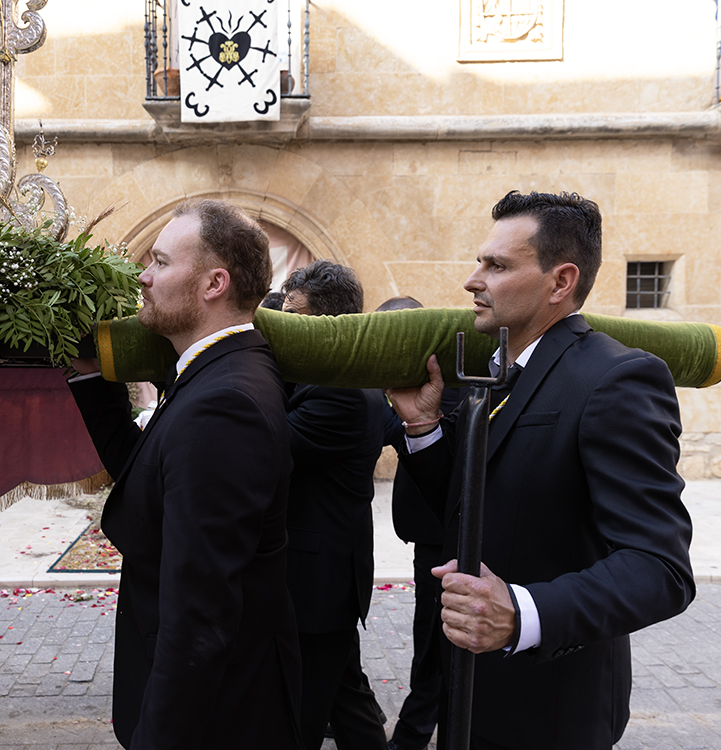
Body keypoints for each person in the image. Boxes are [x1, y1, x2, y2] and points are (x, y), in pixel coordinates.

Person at [387, 190, 695, 750]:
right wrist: (422, 428)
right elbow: (477, 506)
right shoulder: (499, 372)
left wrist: (523, 613)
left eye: (497, 265)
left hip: (550, 707)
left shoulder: (617, 378)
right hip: (474, 691)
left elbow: (660, 569)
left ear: (560, 282)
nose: (472, 280)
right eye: (481, 261)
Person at [68, 199, 302, 749]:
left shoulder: (225, 403)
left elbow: (201, 613)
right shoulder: (212, 372)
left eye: (160, 262)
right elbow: (153, 477)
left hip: (220, 723)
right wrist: (90, 377)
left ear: (214, 283)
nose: (144, 277)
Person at [280, 259, 389, 750]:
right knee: (346, 696)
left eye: (293, 313)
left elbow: (263, 445)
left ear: (329, 326)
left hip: (316, 584)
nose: (283, 320)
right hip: (323, 579)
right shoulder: (323, 377)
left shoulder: (340, 392)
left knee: (298, 717)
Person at [376, 296, 460, 750]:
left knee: (433, 646)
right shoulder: (404, 390)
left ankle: (410, 737)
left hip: (443, 538)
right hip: (424, 539)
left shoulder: (448, 385)